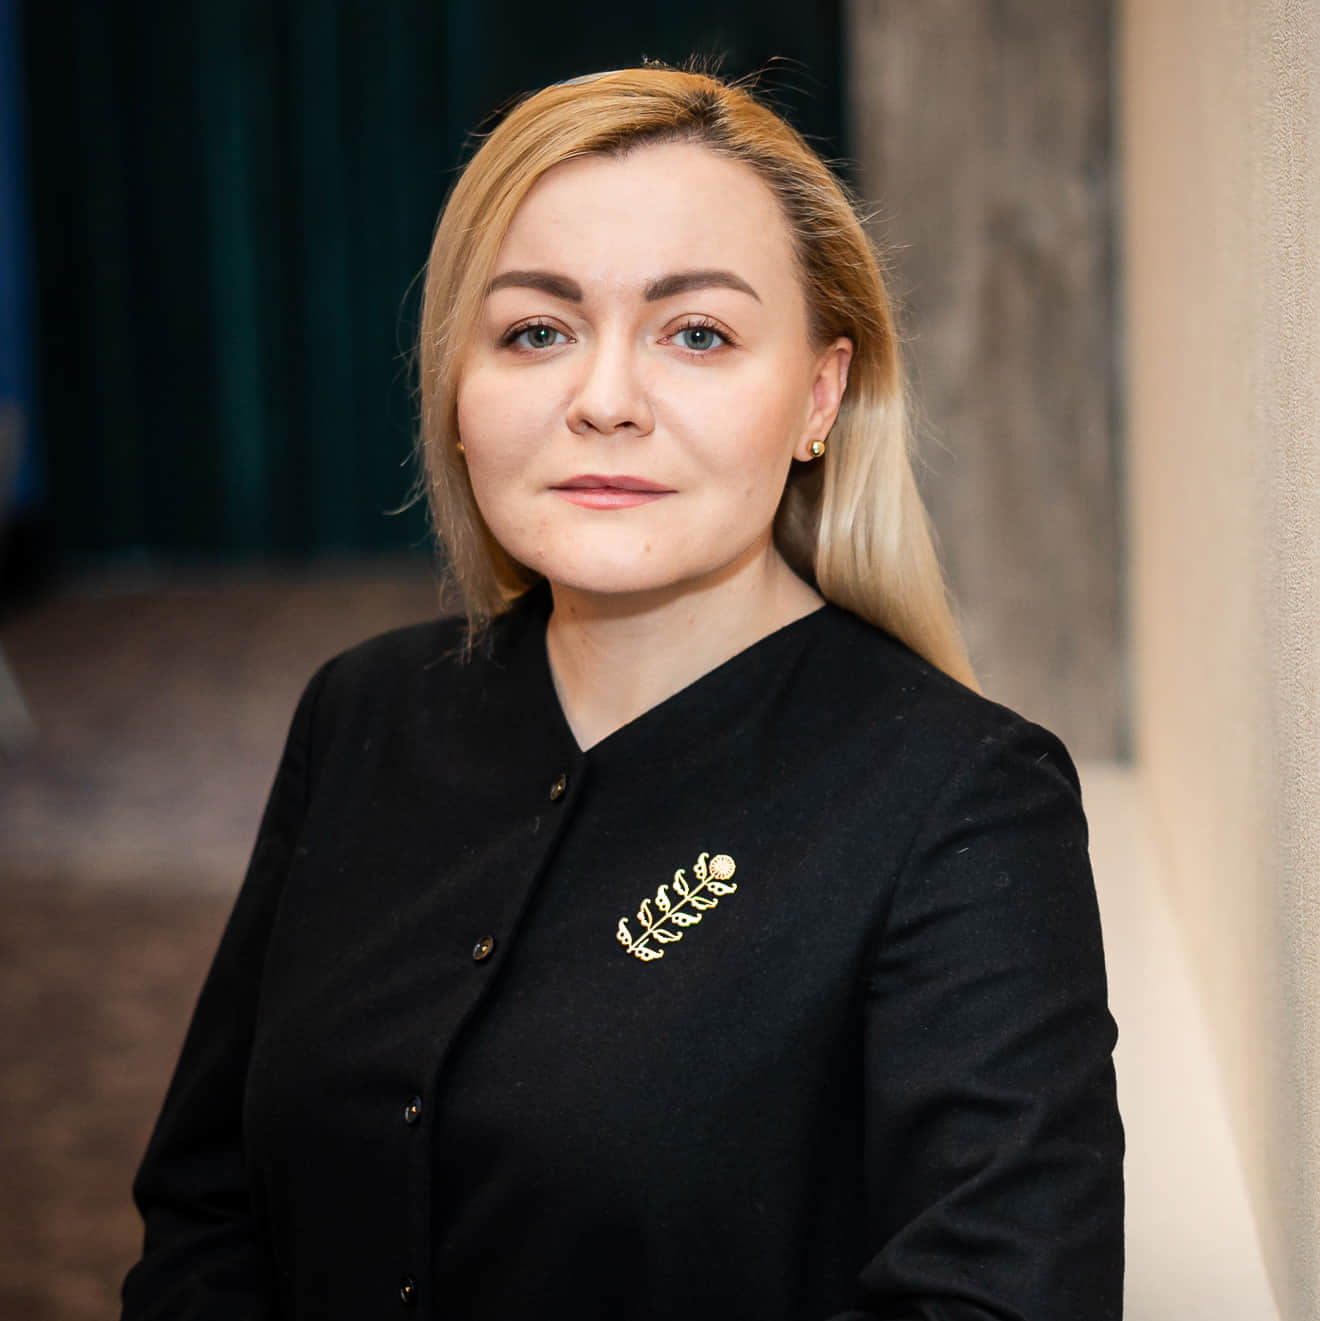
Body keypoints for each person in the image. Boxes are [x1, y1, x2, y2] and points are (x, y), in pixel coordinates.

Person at [122, 65, 1123, 1320]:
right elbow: (210, 1207)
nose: (602, 403)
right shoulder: (362, 712)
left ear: (819, 397)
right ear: (457, 389)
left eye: (696, 334)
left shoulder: (963, 800)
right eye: (536, 332)